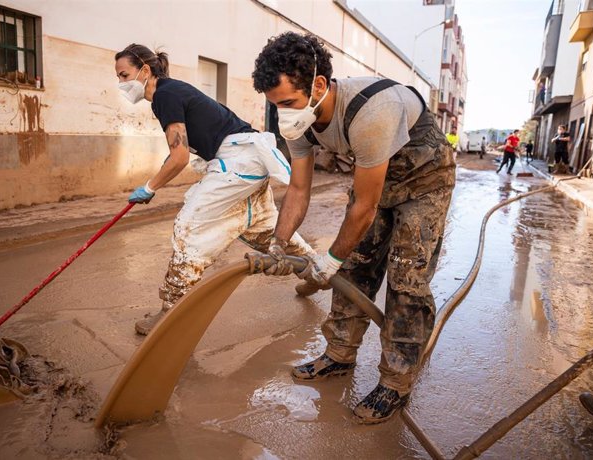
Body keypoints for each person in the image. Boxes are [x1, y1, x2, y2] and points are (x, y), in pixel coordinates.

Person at [252, 32, 456, 424]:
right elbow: (297, 189)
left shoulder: (371, 112)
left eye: (288, 103)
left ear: (319, 86)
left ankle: (396, 381)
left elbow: (364, 207)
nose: (283, 114)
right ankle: (339, 355)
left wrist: (328, 259)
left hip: (425, 179)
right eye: (275, 105)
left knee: (405, 277)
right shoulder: (302, 121)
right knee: (356, 267)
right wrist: (278, 245)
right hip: (376, 175)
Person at [114, 43, 313, 335]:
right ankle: (315, 270)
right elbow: (177, 151)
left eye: (123, 74)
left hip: (238, 161)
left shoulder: (164, 95)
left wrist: (149, 186)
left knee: (190, 227)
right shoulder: (171, 91)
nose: (121, 83)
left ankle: (170, 311)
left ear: (145, 70)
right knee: (260, 228)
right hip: (247, 159)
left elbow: (180, 157)